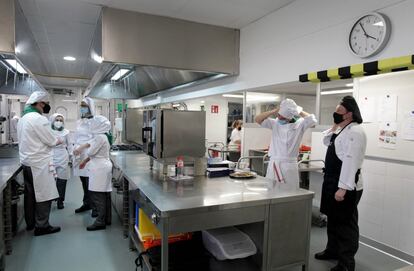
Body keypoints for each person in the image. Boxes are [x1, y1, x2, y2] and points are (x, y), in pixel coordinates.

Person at [315, 96, 366, 271]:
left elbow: (351, 162)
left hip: (346, 186)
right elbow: (325, 140)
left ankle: (346, 263)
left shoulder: (355, 132)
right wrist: (336, 125)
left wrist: (342, 189)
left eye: (339, 112)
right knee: (333, 219)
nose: (335, 114)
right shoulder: (342, 130)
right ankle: (332, 250)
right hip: (332, 182)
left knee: (346, 224)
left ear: (349, 114)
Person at [17, 91, 62, 236]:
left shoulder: (23, 118)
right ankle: (42, 226)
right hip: (39, 164)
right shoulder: (38, 119)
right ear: (39, 103)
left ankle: (31, 223)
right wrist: (58, 140)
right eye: (45, 104)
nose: (46, 106)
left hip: (27, 162)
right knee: (44, 194)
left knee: (30, 194)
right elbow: (51, 140)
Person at [255, 98, 317, 187]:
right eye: (279, 115)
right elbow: (257, 119)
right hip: (275, 163)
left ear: (290, 117)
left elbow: (313, 122)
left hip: (290, 165)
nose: (279, 118)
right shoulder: (275, 123)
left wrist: (299, 111)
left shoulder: (300, 124)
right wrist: (274, 111)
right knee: (272, 191)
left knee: (290, 191)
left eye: (282, 117)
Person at [75, 115, 112, 231]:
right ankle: (106, 219)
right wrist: (84, 161)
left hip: (99, 168)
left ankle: (100, 221)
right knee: (104, 194)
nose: (91, 125)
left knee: (97, 195)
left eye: (93, 123)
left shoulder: (100, 137)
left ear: (98, 125)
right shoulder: (101, 136)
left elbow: (91, 152)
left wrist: (84, 153)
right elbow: (91, 148)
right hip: (101, 166)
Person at [73, 97, 96, 215]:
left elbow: (95, 139)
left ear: (90, 107)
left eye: (84, 106)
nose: (82, 108)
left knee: (90, 181)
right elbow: (76, 138)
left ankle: (94, 206)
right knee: (83, 180)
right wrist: (75, 149)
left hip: (89, 154)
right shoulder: (79, 121)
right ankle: (86, 203)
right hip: (79, 155)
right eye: (81, 106)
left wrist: (82, 147)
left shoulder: (94, 122)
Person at [50, 113, 71, 209]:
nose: (59, 122)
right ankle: (50, 198)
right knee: (50, 180)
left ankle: (60, 200)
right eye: (57, 120)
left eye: (60, 120)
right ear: (53, 121)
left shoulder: (66, 132)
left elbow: (70, 145)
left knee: (62, 180)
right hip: (51, 156)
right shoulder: (48, 131)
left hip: (63, 156)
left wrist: (71, 156)